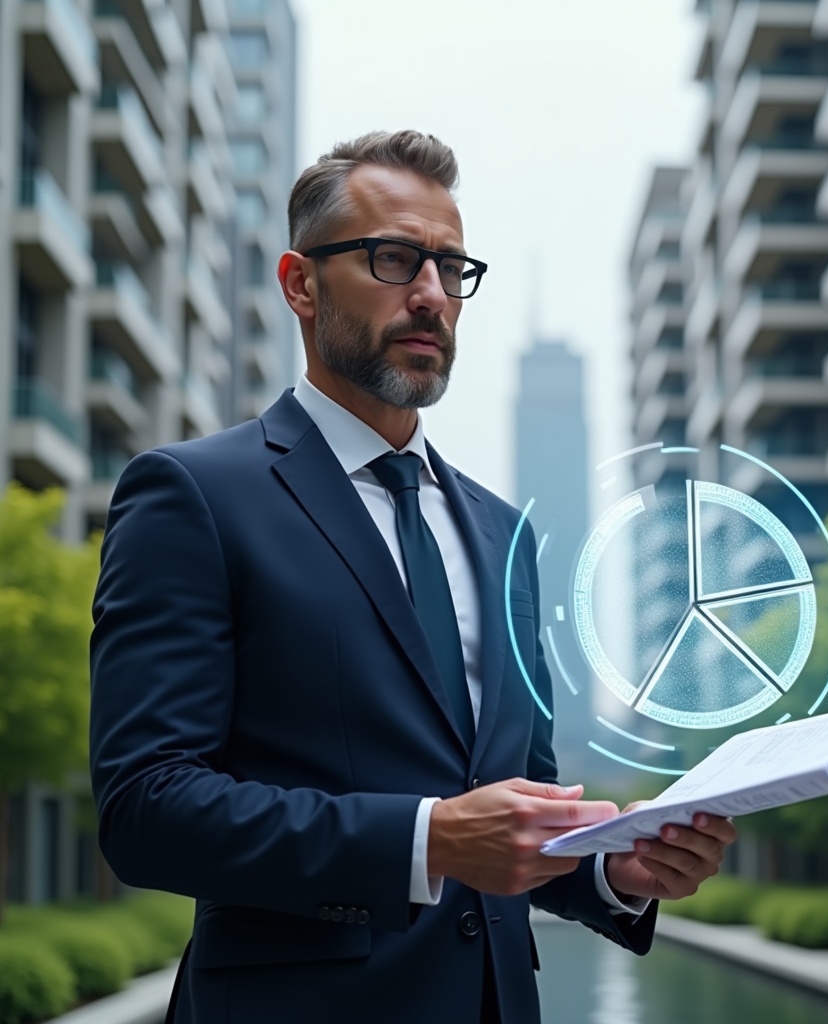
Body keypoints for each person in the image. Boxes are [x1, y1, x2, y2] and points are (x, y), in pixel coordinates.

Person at [90, 130, 736, 1024]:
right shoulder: (194, 495)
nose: (431, 294)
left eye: (450, 267)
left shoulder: (503, 533)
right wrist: (428, 839)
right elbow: (146, 808)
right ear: (299, 284)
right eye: (394, 259)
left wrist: (611, 869)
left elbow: (524, 808)